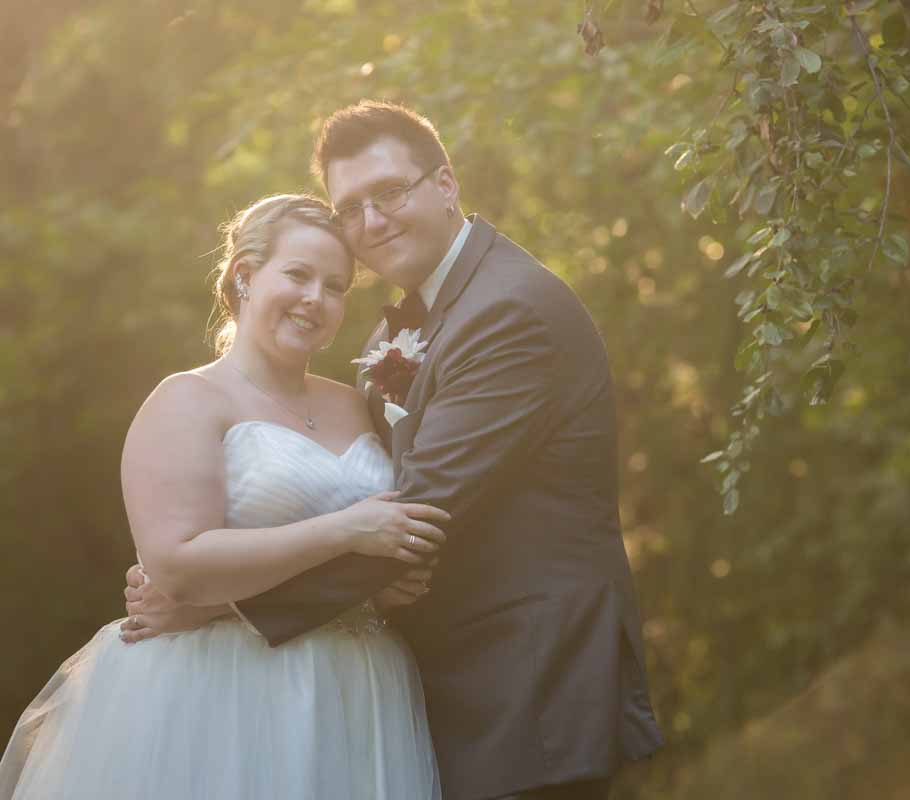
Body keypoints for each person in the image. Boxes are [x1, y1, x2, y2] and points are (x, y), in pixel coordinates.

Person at [123, 100, 665, 800]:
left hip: (527, 682)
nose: (371, 223)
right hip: (429, 686)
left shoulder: (507, 311)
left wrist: (212, 604)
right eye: (351, 208)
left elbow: (416, 513)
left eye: (389, 194)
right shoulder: (408, 326)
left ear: (445, 185)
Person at [0, 194, 446, 799]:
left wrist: (385, 579)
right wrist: (348, 534)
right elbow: (179, 567)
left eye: (336, 286)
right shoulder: (187, 400)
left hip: (360, 688)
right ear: (244, 275)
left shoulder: (356, 402)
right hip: (225, 691)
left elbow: (395, 546)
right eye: (298, 274)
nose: (316, 298)